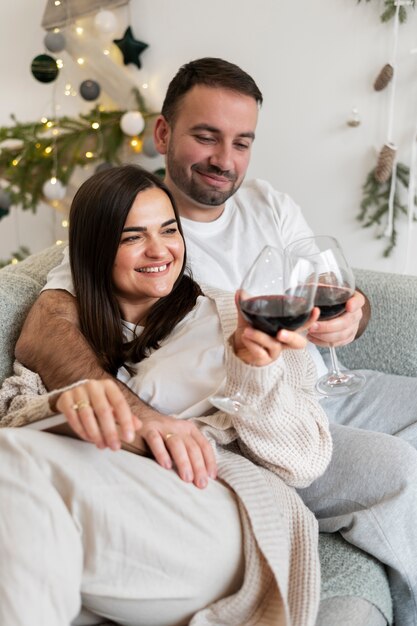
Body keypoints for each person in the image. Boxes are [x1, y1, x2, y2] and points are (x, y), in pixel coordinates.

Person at [14, 57, 417, 625]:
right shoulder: (126, 212)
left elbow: (327, 283)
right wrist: (137, 416)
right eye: (206, 136)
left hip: (316, 380)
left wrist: (354, 313)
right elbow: (46, 326)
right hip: (245, 408)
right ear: (163, 133)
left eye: (242, 142)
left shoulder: (268, 206)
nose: (225, 160)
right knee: (397, 471)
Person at [0, 165, 333, 626]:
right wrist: (66, 403)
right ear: (95, 250)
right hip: (108, 501)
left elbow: (305, 460)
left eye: (169, 230)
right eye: (133, 237)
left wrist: (252, 372)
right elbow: (14, 424)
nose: (159, 250)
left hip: (213, 504)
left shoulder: (239, 319)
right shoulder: (69, 340)